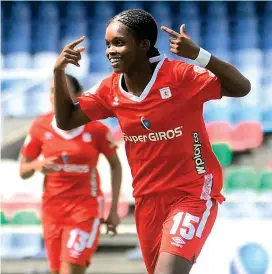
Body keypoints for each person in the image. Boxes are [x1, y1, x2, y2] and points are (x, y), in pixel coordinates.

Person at [53, 9, 251, 274]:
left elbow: (242, 87)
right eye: (108, 44)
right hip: (147, 200)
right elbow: (66, 121)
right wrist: (58, 71)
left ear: (144, 45)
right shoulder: (109, 90)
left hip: (191, 194)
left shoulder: (180, 76)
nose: (110, 50)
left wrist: (198, 55)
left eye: (119, 43)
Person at [19, 74, 122, 274]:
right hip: (52, 212)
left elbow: (115, 166)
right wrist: (37, 165)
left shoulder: (96, 128)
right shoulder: (40, 126)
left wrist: (114, 210)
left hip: (85, 210)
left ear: (78, 95)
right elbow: (23, 171)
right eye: (52, 90)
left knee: (71, 270)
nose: (56, 95)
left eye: (63, 90)